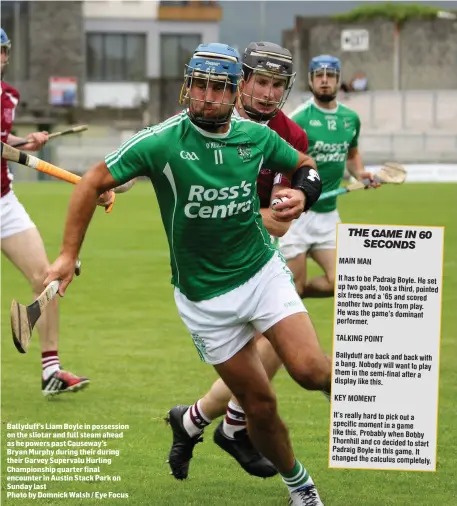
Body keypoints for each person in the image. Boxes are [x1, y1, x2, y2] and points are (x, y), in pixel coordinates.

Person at [44, 43, 329, 506]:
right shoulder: (161, 140)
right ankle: (301, 486)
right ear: (187, 85)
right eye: (200, 84)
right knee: (260, 405)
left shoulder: (255, 136)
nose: (208, 96)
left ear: (233, 91)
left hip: (261, 273)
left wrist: (304, 194)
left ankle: (366, 414)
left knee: (311, 371)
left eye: (219, 86)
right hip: (204, 299)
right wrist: (66, 254)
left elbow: (304, 167)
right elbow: (94, 181)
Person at [165, 41, 315, 481]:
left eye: (278, 85)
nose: (269, 94)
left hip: (260, 251)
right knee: (258, 354)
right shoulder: (202, 117)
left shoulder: (290, 135)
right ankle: (213, 422)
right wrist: (114, 187)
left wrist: (294, 203)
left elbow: (281, 218)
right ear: (241, 82)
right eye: (261, 82)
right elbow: (150, 159)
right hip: (210, 260)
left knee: (279, 347)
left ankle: (207, 421)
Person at [0, 28, 90, 396]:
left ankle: (51, 371)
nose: (1, 58)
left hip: (3, 200)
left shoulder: (8, 97)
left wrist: (25, 141)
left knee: (47, 277)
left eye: (3, 51)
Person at [280, 55, 378, 299]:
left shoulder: (350, 119)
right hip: (298, 216)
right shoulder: (298, 119)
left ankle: (297, 298)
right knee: (295, 287)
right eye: (319, 76)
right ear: (311, 81)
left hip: (328, 217)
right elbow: (281, 164)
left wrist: (360, 173)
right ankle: (291, 300)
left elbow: (352, 155)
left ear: (338, 80)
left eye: (330, 76)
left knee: (342, 284)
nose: (324, 81)